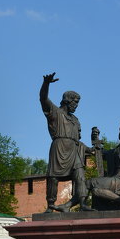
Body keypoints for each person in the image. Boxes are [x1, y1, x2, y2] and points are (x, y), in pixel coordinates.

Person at [39, 72, 96, 212]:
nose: (76, 106)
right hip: (59, 148)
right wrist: (46, 84)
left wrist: (90, 150)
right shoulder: (55, 112)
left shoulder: (75, 120)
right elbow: (43, 99)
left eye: (77, 103)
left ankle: (82, 203)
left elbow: (78, 142)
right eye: (75, 102)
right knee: (53, 177)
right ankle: (50, 205)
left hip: (73, 151)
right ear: (66, 100)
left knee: (79, 174)